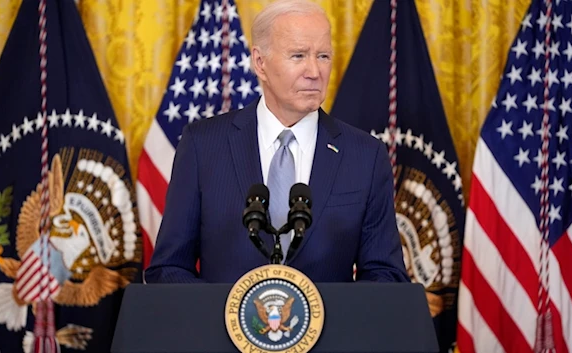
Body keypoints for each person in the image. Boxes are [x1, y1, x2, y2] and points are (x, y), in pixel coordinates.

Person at [145, 0, 409, 284]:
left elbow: (386, 275)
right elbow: (169, 268)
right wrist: (226, 320)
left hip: (333, 328)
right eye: (298, 56)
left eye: (323, 56)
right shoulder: (203, 145)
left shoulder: (365, 156)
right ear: (260, 63)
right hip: (220, 327)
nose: (314, 71)